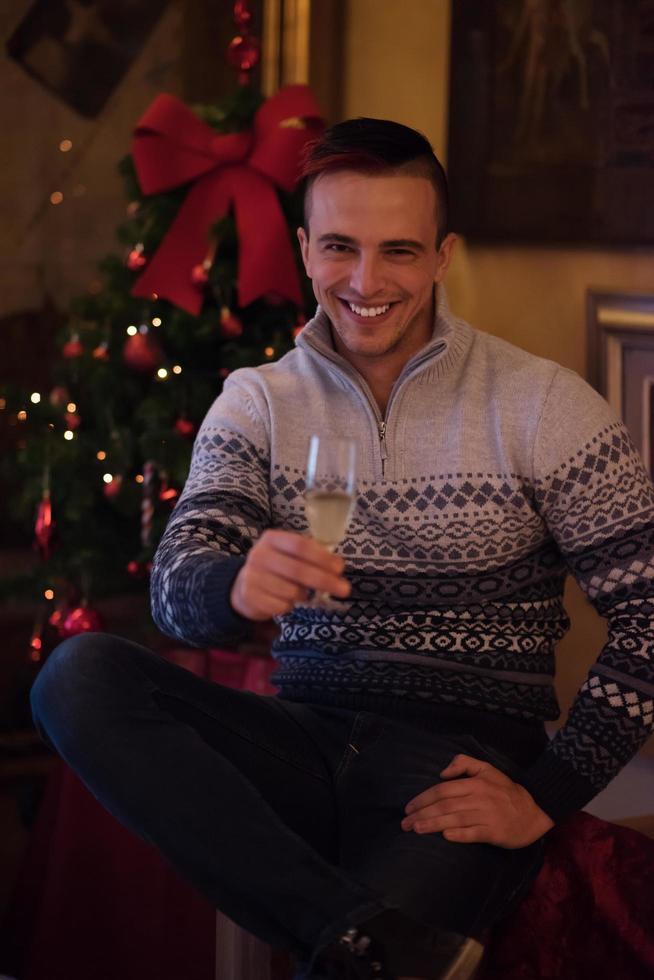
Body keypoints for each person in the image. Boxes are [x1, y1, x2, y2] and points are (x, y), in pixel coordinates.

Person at [30, 118, 654, 980]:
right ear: (303, 249)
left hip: (455, 762)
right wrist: (233, 586)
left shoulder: (543, 404)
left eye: (399, 250)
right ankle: (366, 937)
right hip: (301, 735)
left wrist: (544, 796)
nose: (366, 282)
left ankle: (355, 942)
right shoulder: (259, 400)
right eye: (339, 248)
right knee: (76, 675)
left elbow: (650, 612)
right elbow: (178, 582)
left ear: (443, 255)